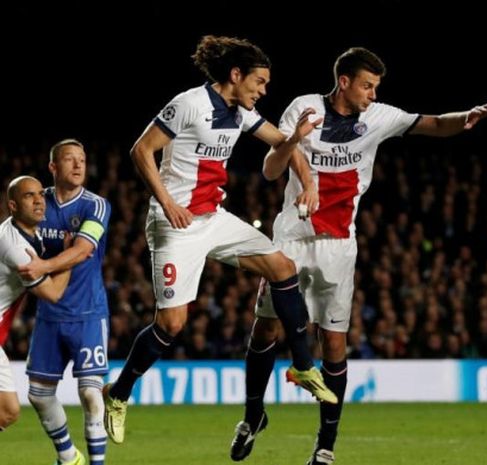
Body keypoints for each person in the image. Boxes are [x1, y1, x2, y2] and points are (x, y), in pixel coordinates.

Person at [231, 47, 487, 465]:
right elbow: (271, 167)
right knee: (265, 330)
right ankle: (252, 417)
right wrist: (296, 141)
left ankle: (325, 445)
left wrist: (464, 119)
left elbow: (429, 124)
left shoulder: (379, 117)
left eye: (376, 88)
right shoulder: (304, 108)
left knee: (334, 343)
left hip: (340, 246)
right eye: (367, 86)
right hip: (292, 238)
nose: (373, 95)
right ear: (344, 82)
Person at [101, 35, 337, 446]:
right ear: (235, 75)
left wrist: (307, 176)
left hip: (214, 218)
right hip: (176, 223)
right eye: (259, 82)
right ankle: (118, 393)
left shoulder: (241, 112)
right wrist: (167, 201)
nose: (263, 90)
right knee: (171, 324)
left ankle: (301, 364)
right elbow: (141, 151)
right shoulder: (189, 103)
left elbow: (281, 143)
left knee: (282, 268)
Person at [17, 140, 111, 465]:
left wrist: (43, 265)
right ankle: (69, 457)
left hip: (88, 313)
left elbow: (84, 249)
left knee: (90, 395)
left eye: (82, 159)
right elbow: (15, 236)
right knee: (38, 396)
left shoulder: (96, 205)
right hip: (49, 314)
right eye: (69, 160)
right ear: (53, 168)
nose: (78, 165)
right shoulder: (36, 202)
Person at [0, 176, 71, 433]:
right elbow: (52, 293)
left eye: (41, 194)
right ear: (13, 206)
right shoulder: (15, 246)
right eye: (29, 196)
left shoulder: (32, 233)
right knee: (7, 411)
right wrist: (71, 255)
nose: (39, 200)